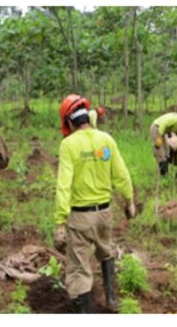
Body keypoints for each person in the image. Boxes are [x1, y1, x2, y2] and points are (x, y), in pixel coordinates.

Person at [54, 94, 136, 313]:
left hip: (80, 217)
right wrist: (129, 202)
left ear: (70, 122)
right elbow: (122, 175)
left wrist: (60, 222)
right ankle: (111, 301)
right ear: (87, 118)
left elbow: (64, 185)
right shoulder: (106, 139)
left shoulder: (68, 145)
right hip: (104, 214)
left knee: (79, 268)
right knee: (106, 252)